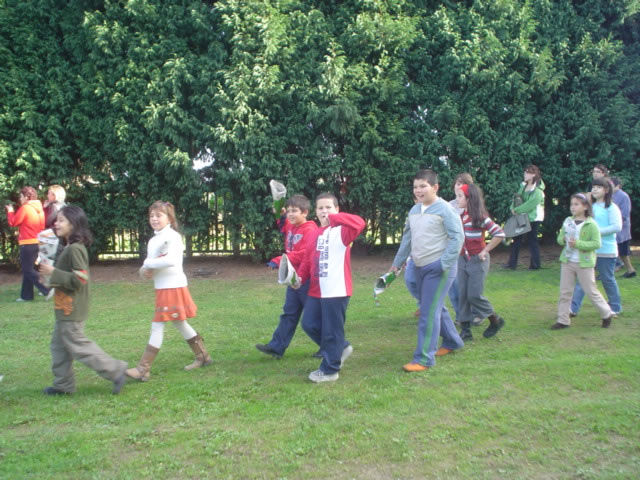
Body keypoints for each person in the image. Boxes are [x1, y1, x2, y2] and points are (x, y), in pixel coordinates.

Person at [38, 206, 127, 395]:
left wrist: (53, 272)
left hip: (72, 308)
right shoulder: (68, 247)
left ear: (73, 224)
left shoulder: (75, 249)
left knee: (79, 346)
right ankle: (63, 386)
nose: (56, 224)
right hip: (64, 307)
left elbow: (80, 279)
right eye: (56, 220)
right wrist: (49, 277)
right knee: (59, 348)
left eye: (61, 220)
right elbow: (67, 276)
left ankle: (115, 370)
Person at [389, 169, 465, 373]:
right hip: (419, 266)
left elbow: (457, 237)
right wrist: (397, 264)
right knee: (433, 307)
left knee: (428, 312)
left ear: (435, 187)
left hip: (439, 268)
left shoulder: (445, 210)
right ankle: (453, 341)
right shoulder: (414, 211)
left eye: (423, 186)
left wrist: (443, 264)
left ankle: (424, 358)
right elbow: (407, 239)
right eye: (415, 187)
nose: (418, 190)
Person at [126, 201, 211, 382]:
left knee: (157, 325)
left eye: (159, 215)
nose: (154, 219)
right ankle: (203, 356)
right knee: (180, 323)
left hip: (173, 286)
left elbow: (171, 260)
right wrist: (144, 271)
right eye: (152, 216)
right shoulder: (153, 241)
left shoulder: (173, 237)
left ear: (169, 218)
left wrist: (148, 264)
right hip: (162, 287)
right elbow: (149, 266)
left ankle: (143, 368)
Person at [297, 193, 365, 383]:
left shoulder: (343, 231)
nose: (324, 211)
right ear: (315, 211)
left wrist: (335, 218)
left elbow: (359, 223)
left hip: (336, 289)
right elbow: (308, 260)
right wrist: (300, 278)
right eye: (320, 208)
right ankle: (340, 348)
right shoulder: (314, 233)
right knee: (309, 324)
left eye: (329, 207)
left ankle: (330, 370)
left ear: (337, 210)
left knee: (331, 331)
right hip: (316, 290)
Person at [255, 194, 317, 358]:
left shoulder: (310, 230)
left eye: (294, 211)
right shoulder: (292, 225)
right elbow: (283, 223)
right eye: (289, 211)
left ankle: (331, 347)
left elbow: (304, 254)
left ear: (305, 212)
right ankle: (276, 347)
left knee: (313, 318)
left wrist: (278, 260)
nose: (290, 214)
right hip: (293, 277)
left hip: (307, 279)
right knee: (289, 313)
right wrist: (280, 212)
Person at [553, 194, 614, 329]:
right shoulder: (568, 220)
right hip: (567, 261)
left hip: (584, 263)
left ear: (585, 207)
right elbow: (560, 238)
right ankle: (563, 320)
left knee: (591, 291)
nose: (573, 207)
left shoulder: (591, 224)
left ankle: (606, 313)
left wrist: (578, 244)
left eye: (576, 204)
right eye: (571, 204)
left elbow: (597, 243)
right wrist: (563, 239)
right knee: (565, 292)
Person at [455, 184, 506, 341]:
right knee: (463, 295)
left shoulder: (480, 217)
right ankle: (466, 331)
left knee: (474, 295)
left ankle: (495, 320)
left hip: (478, 260)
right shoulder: (460, 216)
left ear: (469, 199)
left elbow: (499, 233)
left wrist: (485, 250)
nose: (457, 199)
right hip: (462, 259)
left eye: (460, 196)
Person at [570, 177, 623, 317]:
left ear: (606, 190)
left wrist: (596, 232)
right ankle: (573, 308)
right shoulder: (589, 207)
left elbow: (617, 226)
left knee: (607, 279)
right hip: (588, 249)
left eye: (599, 187)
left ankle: (615, 307)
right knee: (582, 280)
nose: (595, 189)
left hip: (606, 250)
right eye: (593, 187)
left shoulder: (611, 207)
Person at [5, 186, 49, 301]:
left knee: (27, 270)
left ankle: (47, 289)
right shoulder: (39, 208)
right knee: (28, 269)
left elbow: (13, 222)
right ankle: (26, 296)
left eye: (21, 196)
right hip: (37, 241)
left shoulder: (25, 208)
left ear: (26, 197)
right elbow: (41, 225)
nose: (20, 199)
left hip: (27, 243)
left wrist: (10, 211)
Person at [505, 165, 545, 270]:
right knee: (517, 239)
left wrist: (516, 210)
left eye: (527, 172)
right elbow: (516, 198)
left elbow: (530, 204)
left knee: (532, 241)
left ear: (534, 175)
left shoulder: (538, 190)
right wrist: (512, 208)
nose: (525, 174)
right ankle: (512, 264)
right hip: (522, 216)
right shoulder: (523, 186)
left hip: (534, 218)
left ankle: (535, 265)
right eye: (525, 172)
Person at [611, 177, 636, 278]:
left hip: (622, 230)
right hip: (613, 228)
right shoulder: (609, 195)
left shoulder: (623, 196)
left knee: (622, 252)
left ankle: (630, 270)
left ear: (618, 186)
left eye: (611, 185)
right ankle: (628, 270)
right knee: (616, 251)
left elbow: (625, 214)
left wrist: (616, 223)